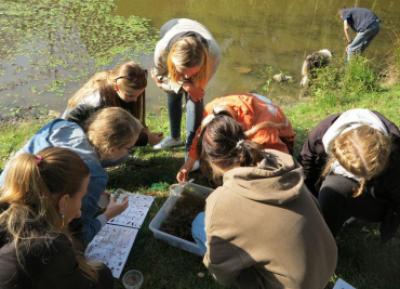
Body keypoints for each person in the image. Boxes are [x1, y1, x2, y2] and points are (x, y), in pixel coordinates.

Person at [192, 115, 337, 289]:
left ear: (211, 160)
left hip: (295, 286)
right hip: (327, 262)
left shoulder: (219, 203)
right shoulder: (279, 161)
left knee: (199, 224)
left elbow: (221, 274)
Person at [1, 107, 142, 243]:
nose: (128, 153)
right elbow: (79, 235)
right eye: (128, 148)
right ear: (111, 149)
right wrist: (108, 214)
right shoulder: (96, 175)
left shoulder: (62, 125)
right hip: (22, 229)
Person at [0, 147, 113, 289]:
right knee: (102, 274)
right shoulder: (50, 246)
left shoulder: (10, 205)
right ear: (64, 201)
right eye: (81, 197)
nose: (79, 211)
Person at [299, 108, 400, 241]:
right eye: (359, 174)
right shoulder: (321, 135)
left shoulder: (395, 145)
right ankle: (326, 239)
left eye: (370, 174)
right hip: (344, 183)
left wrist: (391, 220)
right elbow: (306, 165)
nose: (365, 179)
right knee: (330, 192)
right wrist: (310, 200)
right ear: (335, 154)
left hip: (379, 196)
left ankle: (345, 213)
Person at [176, 93, 295, 183]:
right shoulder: (211, 112)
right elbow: (200, 136)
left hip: (279, 135)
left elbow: (280, 161)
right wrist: (187, 166)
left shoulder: (263, 132)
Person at [151, 18, 221, 151]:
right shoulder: (162, 50)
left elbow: (197, 91)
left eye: (193, 72)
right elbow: (161, 79)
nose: (187, 77)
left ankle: (192, 146)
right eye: (183, 72)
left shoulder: (214, 54)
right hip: (170, 26)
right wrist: (183, 84)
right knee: (173, 93)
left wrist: (190, 86)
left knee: (195, 96)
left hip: (201, 35)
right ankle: (174, 137)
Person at [62, 61, 163, 146]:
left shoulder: (114, 81)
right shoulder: (99, 102)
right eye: (131, 96)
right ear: (117, 87)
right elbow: (115, 134)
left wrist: (145, 132)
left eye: (139, 95)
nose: (136, 100)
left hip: (83, 132)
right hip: (69, 140)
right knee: (120, 155)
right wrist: (147, 139)